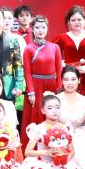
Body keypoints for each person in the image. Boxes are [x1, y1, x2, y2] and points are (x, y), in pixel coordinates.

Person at [18, 94, 85, 169]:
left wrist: (65, 162)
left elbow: (72, 151)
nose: (55, 111)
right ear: (43, 110)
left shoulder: (65, 128)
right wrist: (46, 152)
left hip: (62, 163)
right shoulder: (39, 128)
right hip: (44, 163)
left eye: (57, 107)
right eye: (50, 108)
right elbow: (27, 152)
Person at [22, 15, 63, 143]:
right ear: (32, 29)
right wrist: (31, 92)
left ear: (47, 28)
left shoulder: (55, 47)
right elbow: (27, 72)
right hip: (35, 86)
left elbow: (59, 69)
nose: (41, 30)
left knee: (52, 113)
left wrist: (59, 88)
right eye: (37, 27)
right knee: (35, 116)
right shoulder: (28, 48)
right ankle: (34, 147)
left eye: (43, 27)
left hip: (51, 85)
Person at [56, 65, 85, 164]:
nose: (70, 83)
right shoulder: (55, 100)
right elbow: (50, 123)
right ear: (62, 81)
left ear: (79, 80)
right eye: (66, 79)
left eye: (73, 79)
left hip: (82, 140)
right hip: (61, 140)